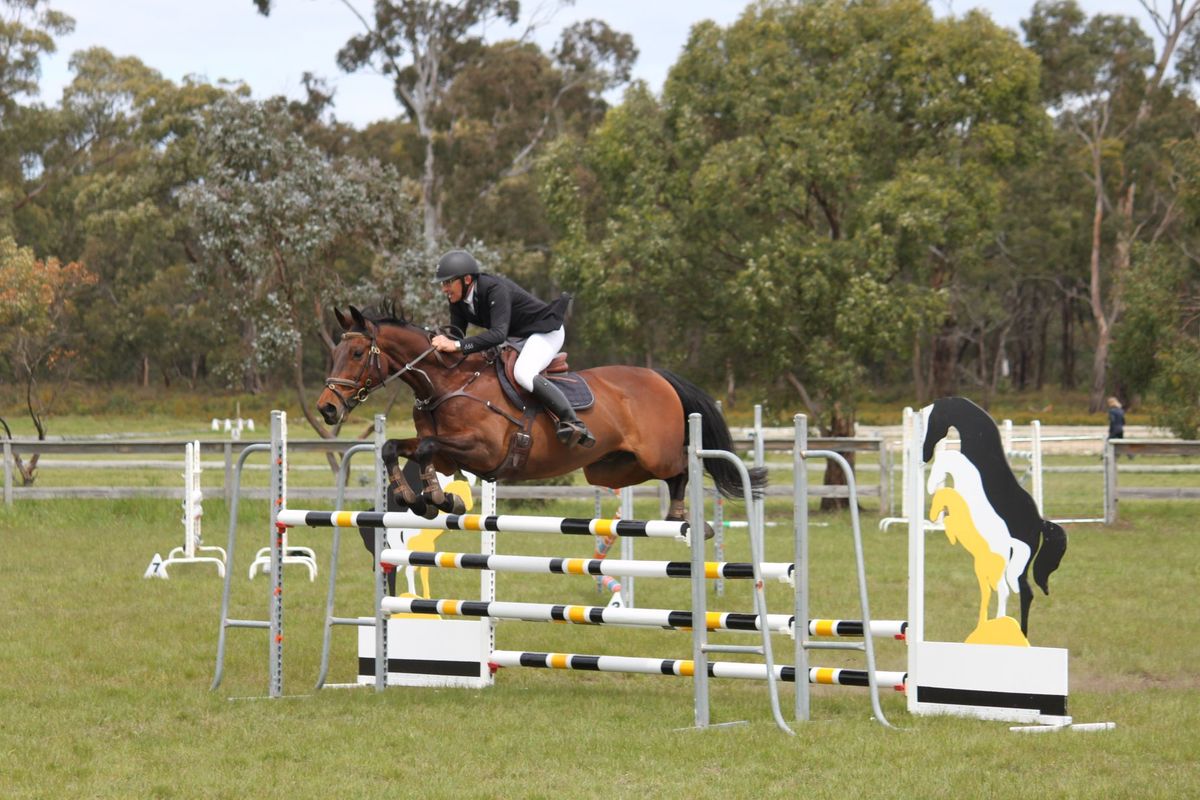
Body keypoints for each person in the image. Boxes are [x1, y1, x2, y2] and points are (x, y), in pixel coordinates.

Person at [428, 249, 594, 448]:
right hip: (517, 337)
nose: (444, 289)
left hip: (545, 331)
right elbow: (457, 336)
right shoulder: (458, 300)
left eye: (447, 282)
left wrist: (455, 345)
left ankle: (572, 422)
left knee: (523, 373)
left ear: (467, 280)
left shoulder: (495, 289)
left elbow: (496, 335)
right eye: (442, 284)